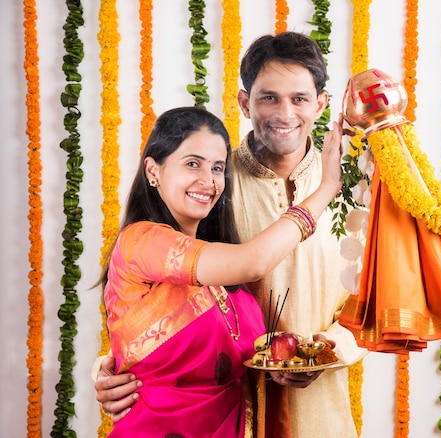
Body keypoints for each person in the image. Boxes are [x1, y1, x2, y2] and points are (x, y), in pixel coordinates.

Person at [96, 32, 366, 437]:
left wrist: (328, 348)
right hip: (230, 412)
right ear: (245, 102)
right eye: (268, 97)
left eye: (299, 98)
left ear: (321, 104)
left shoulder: (358, 187)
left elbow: (375, 299)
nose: (285, 113)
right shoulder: (212, 188)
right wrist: (113, 365)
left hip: (320, 415)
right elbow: (153, 294)